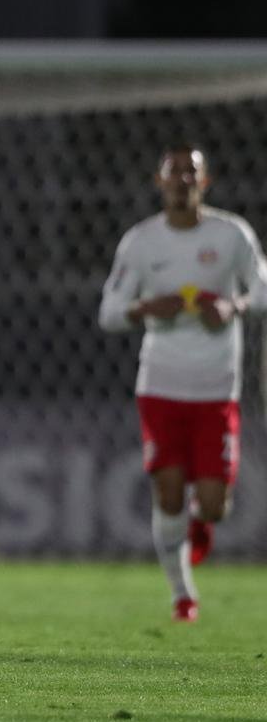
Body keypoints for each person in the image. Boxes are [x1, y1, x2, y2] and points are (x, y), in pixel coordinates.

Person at [99, 144, 267, 623]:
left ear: (204, 183)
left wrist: (232, 306)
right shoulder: (141, 242)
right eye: (173, 175)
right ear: (159, 183)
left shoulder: (231, 235)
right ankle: (182, 596)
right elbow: (108, 312)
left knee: (213, 507)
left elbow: (262, 288)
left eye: (190, 175)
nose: (181, 182)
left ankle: (196, 526)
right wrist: (146, 309)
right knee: (168, 493)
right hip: (161, 386)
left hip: (217, 390)